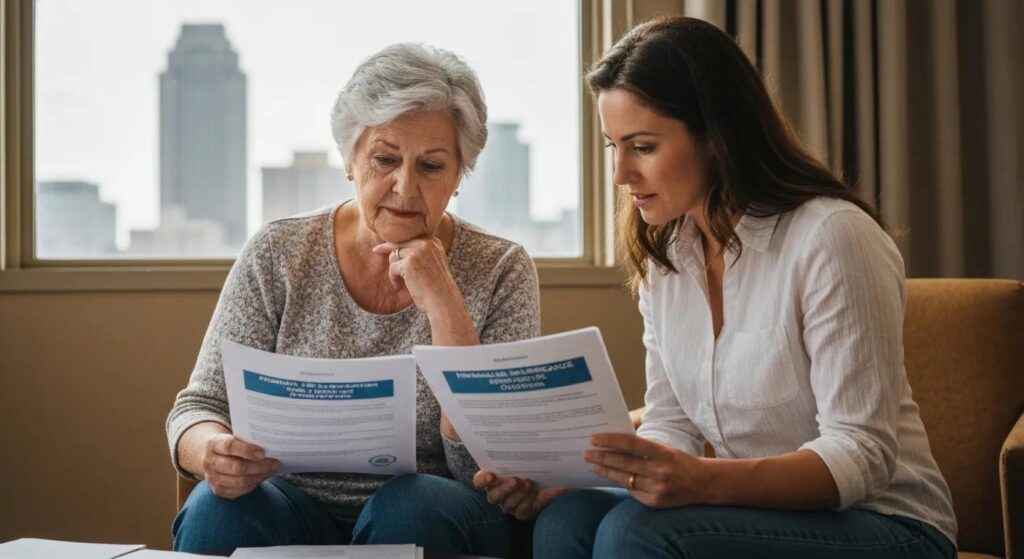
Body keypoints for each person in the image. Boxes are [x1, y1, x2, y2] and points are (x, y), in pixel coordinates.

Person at [476, 16, 957, 559]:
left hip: (886, 526)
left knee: (632, 534)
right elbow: (671, 424)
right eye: (613, 146)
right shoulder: (667, 258)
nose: (620, 174)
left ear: (715, 137)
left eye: (643, 146)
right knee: (569, 519)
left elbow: (863, 453)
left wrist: (702, 480)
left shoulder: (831, 237)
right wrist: (576, 476)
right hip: (748, 514)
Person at [166, 42, 539, 557]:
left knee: (412, 505)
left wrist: (446, 304)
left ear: (459, 176)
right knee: (217, 510)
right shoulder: (278, 252)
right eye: (384, 159)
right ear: (349, 160)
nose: (404, 188)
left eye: (431, 167)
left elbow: (484, 466)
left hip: (438, 508)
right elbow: (199, 406)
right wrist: (212, 451)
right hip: (292, 502)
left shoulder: (502, 269)